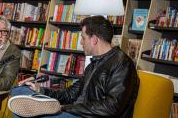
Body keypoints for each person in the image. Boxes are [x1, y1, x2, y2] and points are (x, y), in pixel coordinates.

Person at [9, 16, 140, 118]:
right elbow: (70, 94)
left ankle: (44, 106)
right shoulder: (94, 64)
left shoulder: (122, 64)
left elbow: (111, 108)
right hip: (75, 112)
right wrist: (41, 90)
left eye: (83, 38)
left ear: (94, 39)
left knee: (25, 113)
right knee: (19, 90)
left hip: (83, 115)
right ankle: (40, 101)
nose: (81, 42)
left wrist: (64, 108)